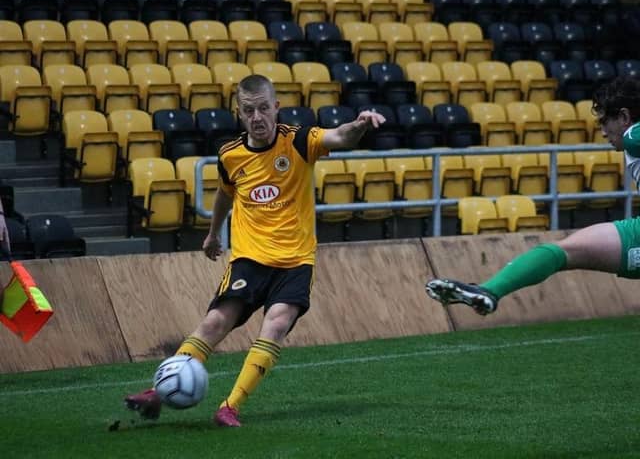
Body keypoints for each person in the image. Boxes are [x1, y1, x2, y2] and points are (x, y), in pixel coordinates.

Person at [125, 74, 386, 427]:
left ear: (276, 107)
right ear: (240, 113)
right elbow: (225, 192)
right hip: (249, 258)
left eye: (264, 108)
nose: (258, 117)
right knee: (216, 320)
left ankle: (229, 406)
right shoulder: (231, 155)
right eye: (250, 110)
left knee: (275, 324)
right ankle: (158, 392)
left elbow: (339, 136)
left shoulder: (297, 141)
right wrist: (212, 234)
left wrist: (359, 124)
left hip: (295, 260)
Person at [426, 75, 640, 315]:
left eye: (604, 122)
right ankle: (488, 291)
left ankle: (491, 290)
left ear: (623, 117)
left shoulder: (632, 135)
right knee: (562, 251)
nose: (602, 132)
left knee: (563, 252)